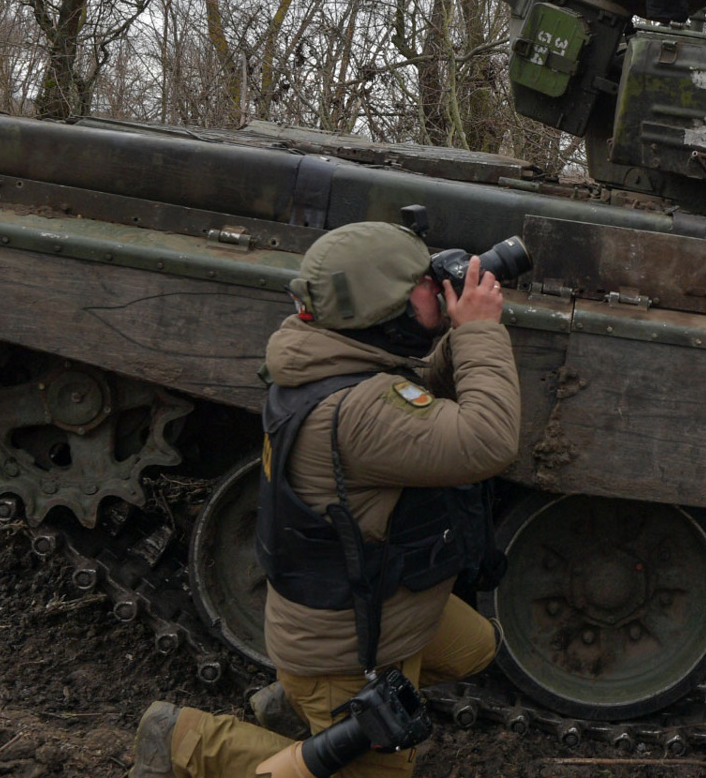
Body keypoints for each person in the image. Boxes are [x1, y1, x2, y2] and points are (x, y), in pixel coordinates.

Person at [130, 222, 522, 778]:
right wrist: (481, 330)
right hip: (348, 644)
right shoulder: (357, 412)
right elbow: (488, 441)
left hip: (380, 605)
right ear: (380, 308)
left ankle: (296, 711)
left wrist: (459, 333)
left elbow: (418, 401)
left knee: (474, 648)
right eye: (421, 281)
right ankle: (187, 743)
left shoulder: (326, 357)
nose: (438, 284)